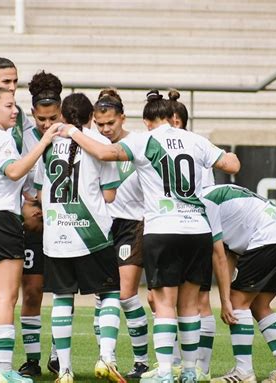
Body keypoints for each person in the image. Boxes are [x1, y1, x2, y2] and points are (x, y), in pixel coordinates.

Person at [56, 90, 240, 383]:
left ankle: (165, 372)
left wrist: (72, 132)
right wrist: (225, 155)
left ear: (146, 120)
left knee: (165, 304)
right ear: (172, 117)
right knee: (190, 306)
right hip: (197, 230)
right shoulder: (195, 139)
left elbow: (105, 153)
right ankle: (191, 372)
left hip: (163, 228)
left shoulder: (143, 140)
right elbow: (232, 165)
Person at [0, 84, 58, 383]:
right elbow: (13, 172)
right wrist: (42, 144)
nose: (14, 110)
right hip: (1, 221)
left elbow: (6, 181)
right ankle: (4, 369)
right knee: (5, 297)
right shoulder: (2, 139)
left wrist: (32, 193)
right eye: (8, 105)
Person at [34, 93, 126, 383]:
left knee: (62, 299)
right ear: (90, 118)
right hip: (92, 234)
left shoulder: (47, 144)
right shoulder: (99, 144)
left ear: (62, 115)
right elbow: (110, 194)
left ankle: (64, 369)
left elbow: (39, 192)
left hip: (56, 236)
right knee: (109, 293)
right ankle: (106, 357)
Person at [201, 184, 276, 383]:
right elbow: (228, 255)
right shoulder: (215, 194)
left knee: (238, 303)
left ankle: (243, 372)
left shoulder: (202, 203)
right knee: (259, 305)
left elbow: (219, 256)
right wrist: (227, 295)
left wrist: (226, 301)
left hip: (268, 238)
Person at [92, 88, 149, 379]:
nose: (105, 129)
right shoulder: (92, 143)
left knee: (125, 294)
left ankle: (141, 361)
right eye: (100, 124)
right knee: (103, 297)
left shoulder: (138, 142)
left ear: (122, 118)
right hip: (102, 226)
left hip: (131, 224)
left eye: (110, 124)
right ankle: (107, 357)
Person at [167, 89, 216, 382]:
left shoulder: (174, 145)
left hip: (176, 228)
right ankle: (193, 367)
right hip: (197, 230)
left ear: (174, 119)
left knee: (186, 300)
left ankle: (193, 366)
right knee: (192, 300)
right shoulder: (200, 145)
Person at [17, 70, 63, 377]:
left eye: (52, 118)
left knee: (62, 290)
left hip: (62, 223)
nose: (47, 124)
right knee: (32, 290)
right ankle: (32, 360)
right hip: (34, 221)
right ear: (33, 112)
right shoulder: (23, 137)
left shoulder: (73, 132)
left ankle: (60, 355)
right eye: (41, 118)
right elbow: (16, 176)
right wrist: (28, 202)